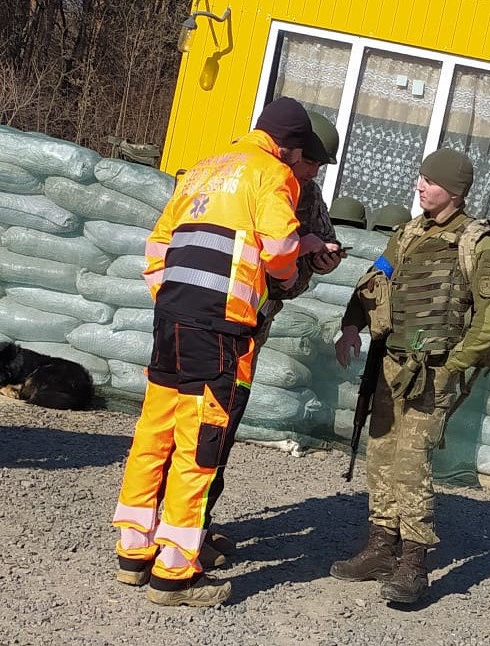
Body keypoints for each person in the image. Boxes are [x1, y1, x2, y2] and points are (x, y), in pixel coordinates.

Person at [111, 96, 332, 608]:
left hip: (172, 318)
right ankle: (174, 574)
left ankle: (134, 551)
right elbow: (279, 250)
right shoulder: (273, 174)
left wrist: (174, 299)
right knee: (201, 442)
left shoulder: (204, 169)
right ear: (289, 146)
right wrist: (286, 273)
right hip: (221, 326)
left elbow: (156, 248)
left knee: (154, 432)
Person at [329, 148, 490, 605]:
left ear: (455, 190)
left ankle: (413, 562)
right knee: (381, 455)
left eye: (430, 180)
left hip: (434, 371)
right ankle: (380, 547)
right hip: (391, 364)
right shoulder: (408, 234)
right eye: (421, 177)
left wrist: (453, 367)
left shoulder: (478, 246)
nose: (420, 186)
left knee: (411, 464)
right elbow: (374, 280)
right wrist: (351, 324)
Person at [200, 110, 345, 567]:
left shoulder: (307, 195)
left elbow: (318, 245)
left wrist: (319, 260)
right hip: (217, 317)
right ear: (293, 150)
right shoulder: (260, 178)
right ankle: (181, 532)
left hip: (250, 325)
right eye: (310, 162)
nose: (313, 172)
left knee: (222, 426)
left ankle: (196, 521)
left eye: (319, 166)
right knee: (201, 425)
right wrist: (292, 261)